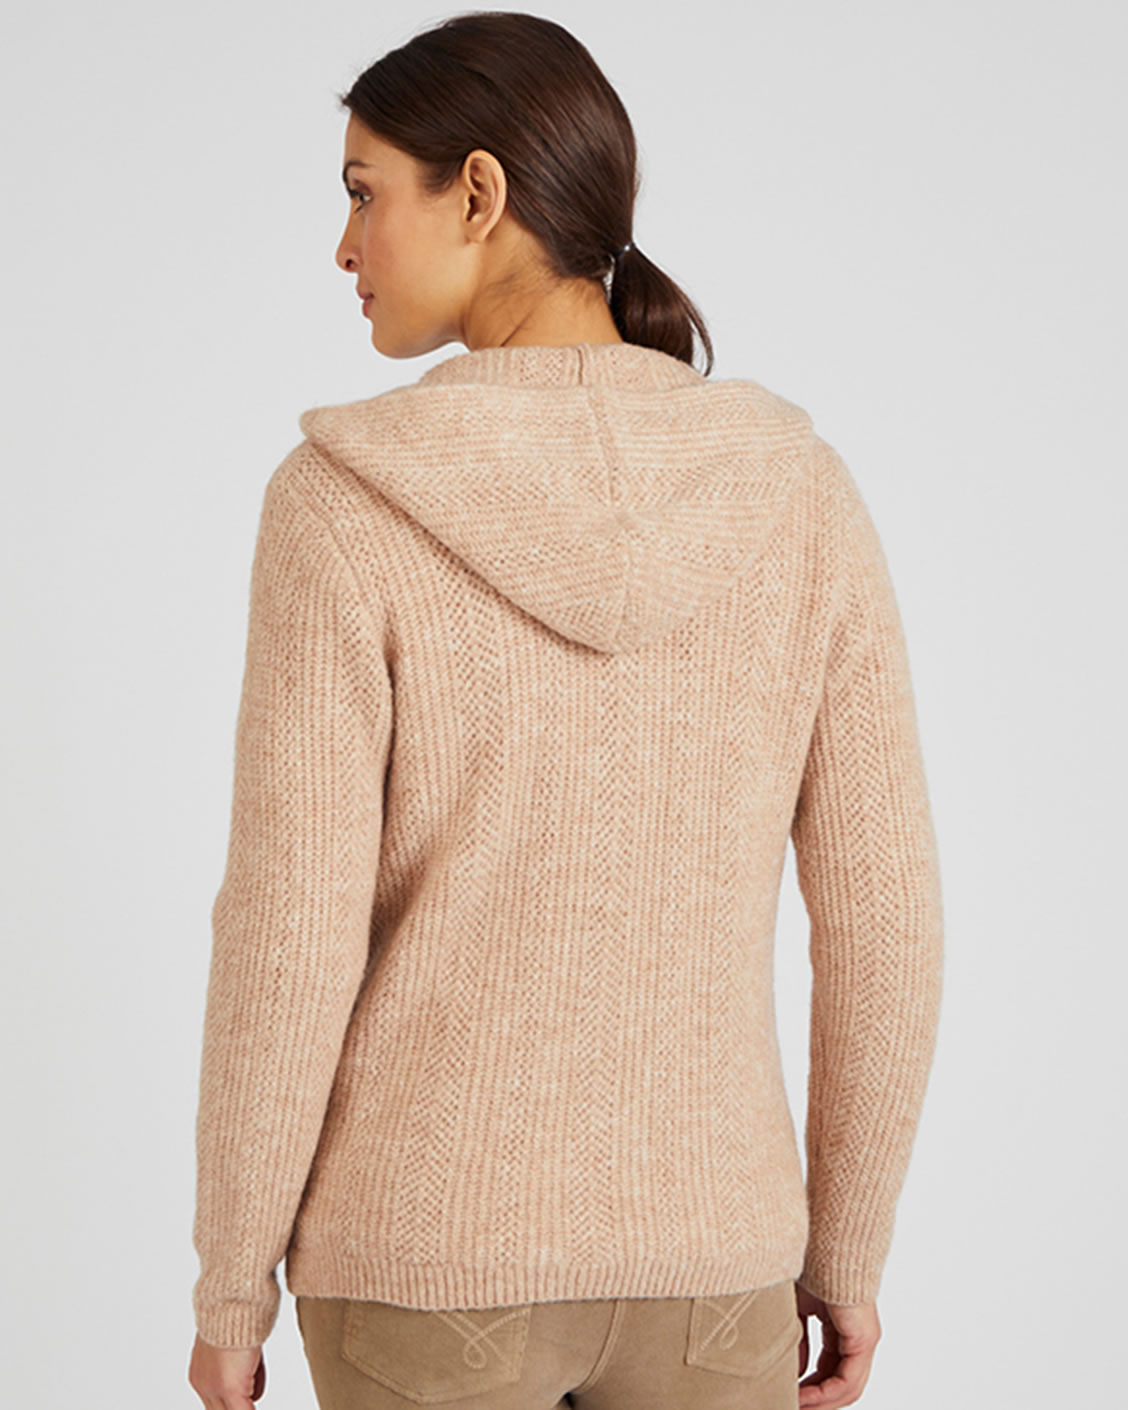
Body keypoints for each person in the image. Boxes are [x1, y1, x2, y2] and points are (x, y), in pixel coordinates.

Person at [187, 12, 943, 1410]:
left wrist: (232, 1282)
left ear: (478, 193)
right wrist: (845, 1249)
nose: (344, 247)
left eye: (362, 192)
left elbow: (290, 928)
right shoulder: (795, 491)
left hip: (422, 1269)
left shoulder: (344, 503)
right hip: (716, 1270)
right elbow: (886, 917)